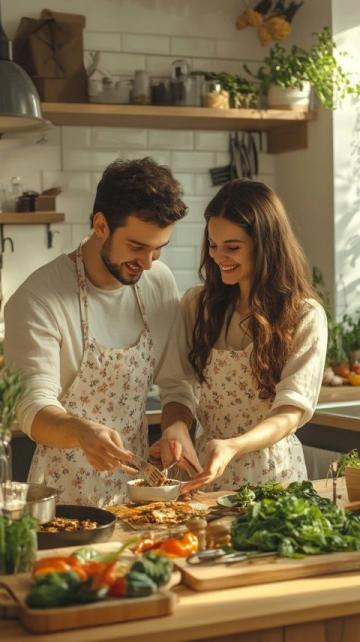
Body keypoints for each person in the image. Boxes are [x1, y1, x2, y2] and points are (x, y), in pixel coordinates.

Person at [4, 157, 201, 506]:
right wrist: (82, 432)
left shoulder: (158, 282)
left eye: (159, 249)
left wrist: (176, 425)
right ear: (100, 225)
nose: (148, 262)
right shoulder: (38, 298)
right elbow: (31, 407)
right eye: (137, 247)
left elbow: (177, 383)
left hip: (137, 495)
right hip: (64, 498)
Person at [161, 178, 328, 493]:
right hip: (205, 475)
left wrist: (234, 446)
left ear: (265, 246)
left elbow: (290, 412)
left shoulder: (304, 316)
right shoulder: (197, 306)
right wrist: (176, 427)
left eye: (232, 247)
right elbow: (176, 386)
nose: (218, 256)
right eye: (212, 245)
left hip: (274, 480)